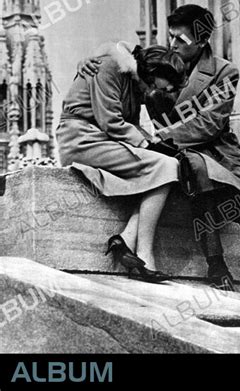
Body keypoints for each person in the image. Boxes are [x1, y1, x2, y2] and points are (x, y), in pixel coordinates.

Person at [82, 7, 240, 301]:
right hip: (175, 153)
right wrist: (91, 63)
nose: (173, 45)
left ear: (202, 40)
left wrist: (162, 135)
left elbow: (211, 122)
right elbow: (120, 55)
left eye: (181, 40)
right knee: (195, 170)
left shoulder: (225, 71)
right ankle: (215, 263)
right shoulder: (158, 64)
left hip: (217, 150)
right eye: (171, 38)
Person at [57, 41, 187, 284]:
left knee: (166, 168)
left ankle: (127, 240)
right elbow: (110, 121)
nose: (169, 88)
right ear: (155, 71)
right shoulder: (109, 67)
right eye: (169, 80)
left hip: (103, 140)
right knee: (166, 167)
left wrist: (153, 142)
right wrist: (149, 146)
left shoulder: (135, 83)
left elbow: (132, 124)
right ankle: (144, 255)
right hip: (81, 139)